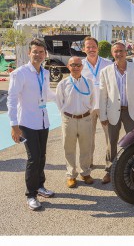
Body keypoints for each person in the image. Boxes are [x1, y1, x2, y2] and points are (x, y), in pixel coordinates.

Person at [7, 39, 56, 211]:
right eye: (35, 51)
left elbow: (47, 94)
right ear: (29, 53)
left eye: (41, 52)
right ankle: (30, 195)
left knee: (41, 156)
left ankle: (40, 186)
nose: (38, 55)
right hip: (27, 123)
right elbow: (11, 99)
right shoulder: (20, 73)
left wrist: (63, 96)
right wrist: (14, 125)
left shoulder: (45, 72)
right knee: (33, 158)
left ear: (45, 54)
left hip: (43, 121)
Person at [99, 42, 134, 184]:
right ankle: (109, 170)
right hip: (112, 112)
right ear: (112, 53)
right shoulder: (105, 71)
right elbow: (103, 95)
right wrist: (103, 115)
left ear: (126, 52)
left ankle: (133, 168)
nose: (119, 54)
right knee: (111, 142)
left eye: (121, 51)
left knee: (133, 141)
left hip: (131, 111)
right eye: (116, 51)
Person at [56, 57, 95, 188]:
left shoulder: (89, 83)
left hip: (85, 119)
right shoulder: (63, 84)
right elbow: (59, 102)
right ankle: (71, 175)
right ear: (68, 66)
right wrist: (67, 115)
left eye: (78, 65)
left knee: (86, 148)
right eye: (73, 65)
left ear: (82, 67)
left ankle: (85, 173)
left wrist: (86, 113)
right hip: (69, 120)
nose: (76, 67)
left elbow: (93, 100)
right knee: (69, 148)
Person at [81, 37, 113, 168]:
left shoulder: (108, 64)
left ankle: (110, 164)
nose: (91, 49)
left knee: (110, 138)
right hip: (88, 108)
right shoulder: (80, 65)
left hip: (105, 106)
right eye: (88, 47)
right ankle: (88, 163)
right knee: (88, 138)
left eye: (93, 46)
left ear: (98, 48)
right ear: (84, 49)